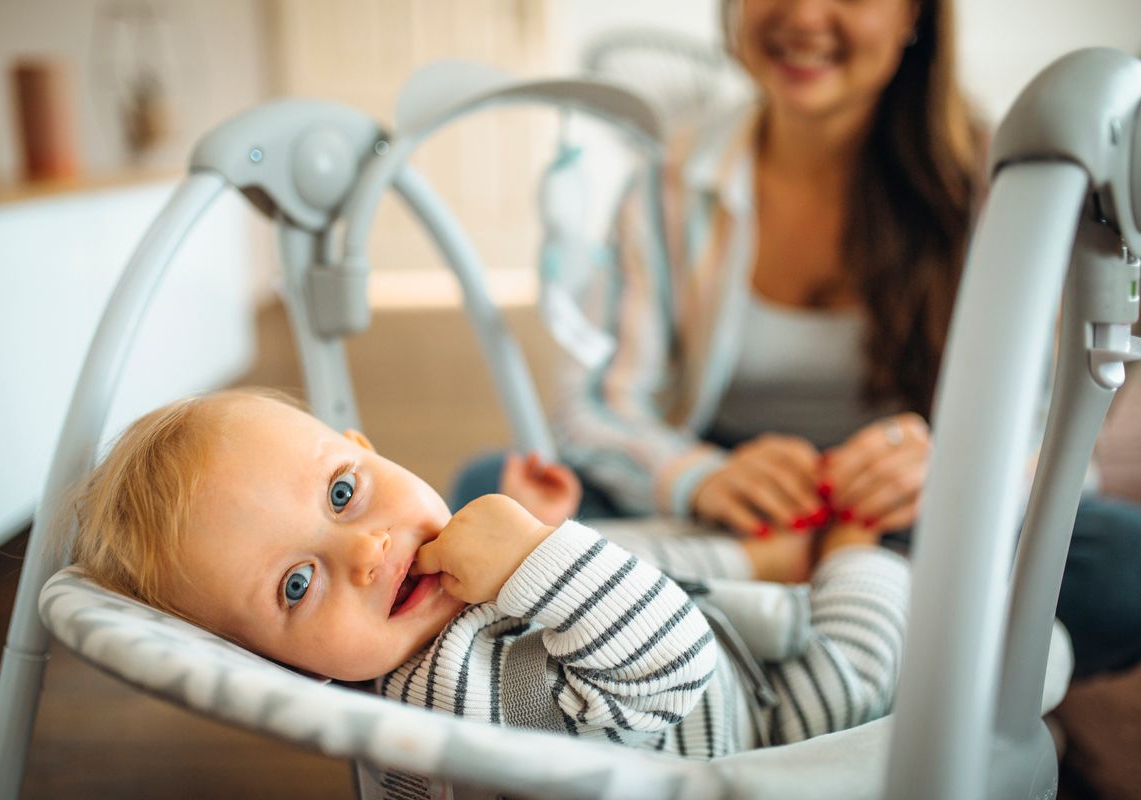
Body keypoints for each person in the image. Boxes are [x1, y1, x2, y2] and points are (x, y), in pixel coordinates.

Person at [454, 0, 1141, 677]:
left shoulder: (1004, 188)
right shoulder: (669, 177)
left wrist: (951, 470)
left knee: (1122, 566)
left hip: (915, 514)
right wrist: (696, 477)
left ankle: (744, 607)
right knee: (489, 490)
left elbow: (1053, 432)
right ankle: (854, 618)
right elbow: (597, 404)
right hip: (732, 506)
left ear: (916, 16)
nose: (806, 15)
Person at [70, 388, 910, 757]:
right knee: (861, 661)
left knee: (622, 554)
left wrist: (528, 533)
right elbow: (669, 669)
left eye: (341, 491)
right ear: (267, 661)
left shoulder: (412, 613)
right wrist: (540, 553)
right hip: (753, 718)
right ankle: (854, 549)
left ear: (366, 451)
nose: (367, 550)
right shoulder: (450, 697)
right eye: (297, 584)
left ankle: (765, 559)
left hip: (687, 625)